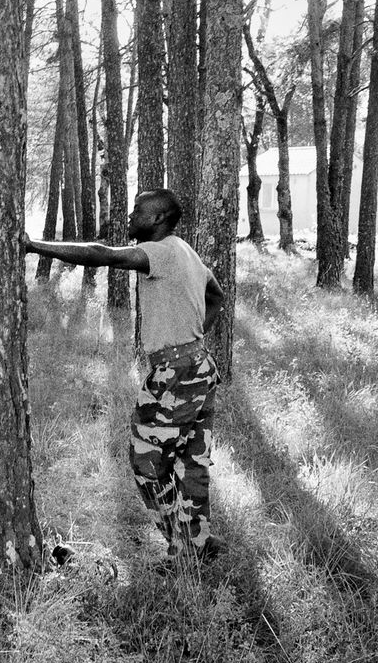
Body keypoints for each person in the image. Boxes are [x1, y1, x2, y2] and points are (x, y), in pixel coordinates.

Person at [24, 189, 228, 562]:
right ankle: (198, 541)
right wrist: (193, 337)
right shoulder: (185, 251)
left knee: (147, 462)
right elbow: (216, 294)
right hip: (198, 366)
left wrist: (34, 246)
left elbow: (103, 255)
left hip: (177, 374)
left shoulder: (160, 251)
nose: (131, 216)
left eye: (137, 210)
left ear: (157, 218)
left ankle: (185, 548)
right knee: (191, 461)